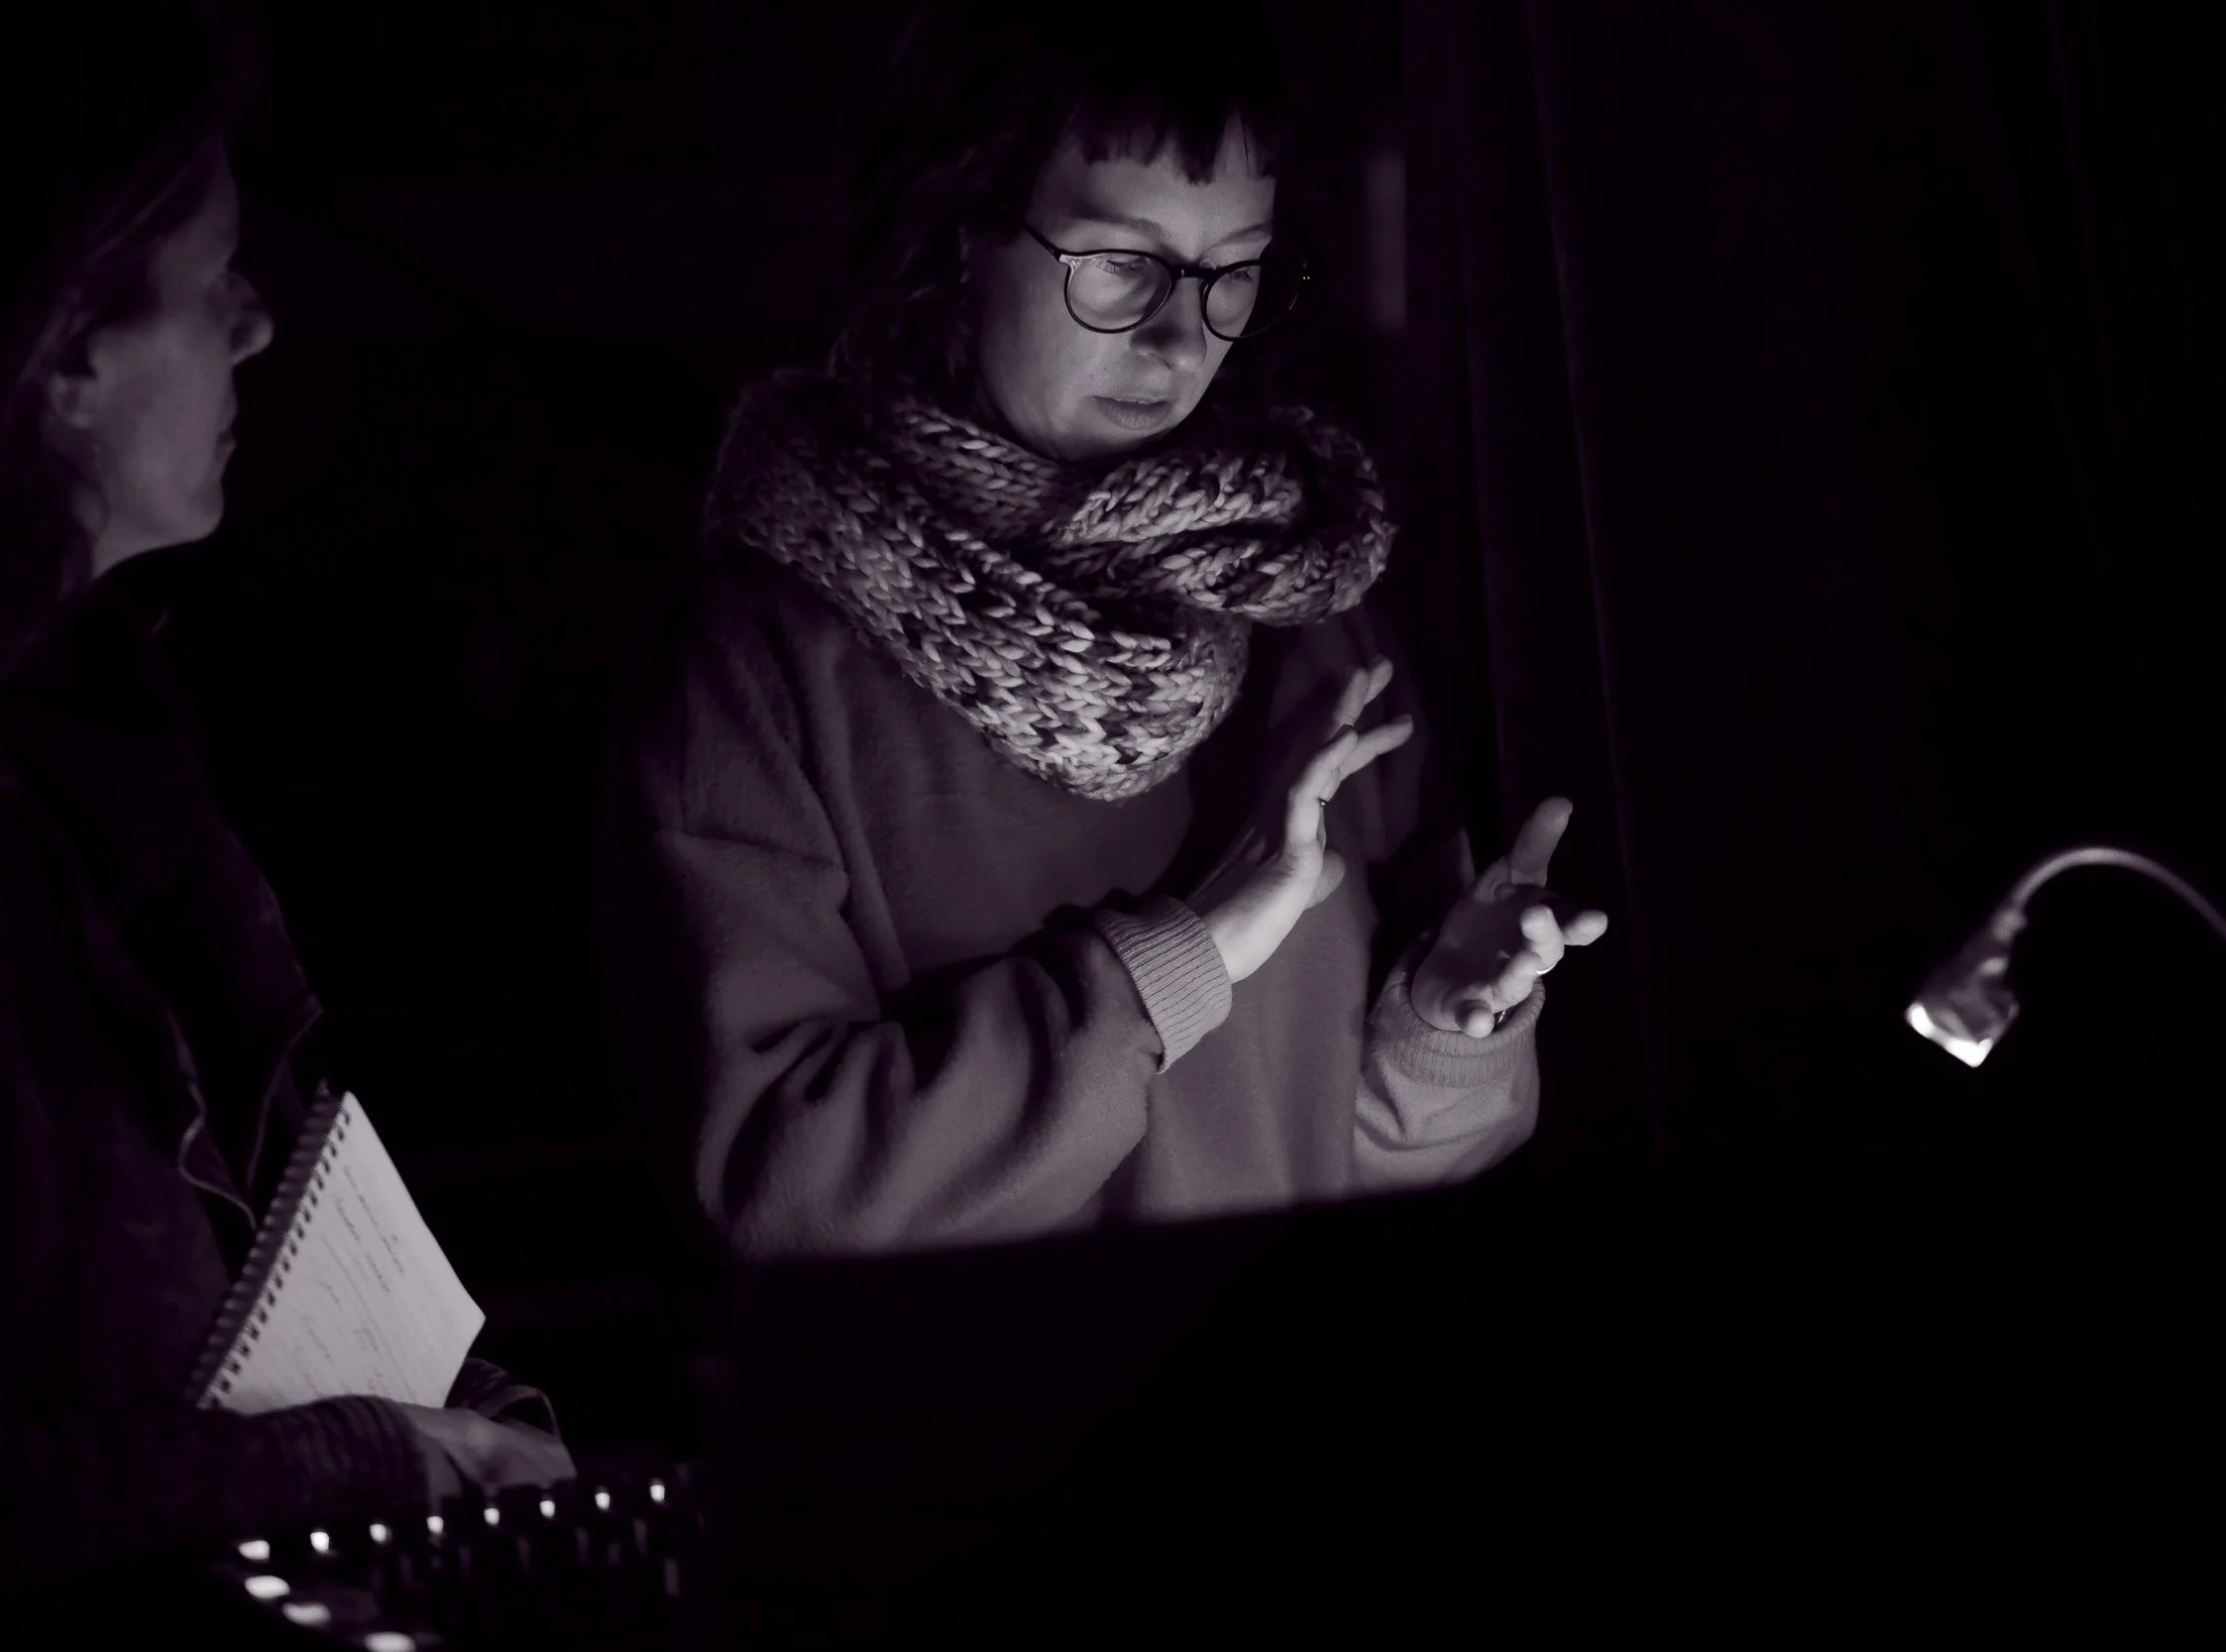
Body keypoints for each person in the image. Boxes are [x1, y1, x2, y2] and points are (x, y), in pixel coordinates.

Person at [602, 0, 1606, 1261]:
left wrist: (1438, 1027)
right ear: (959, 238)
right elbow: (778, 1190)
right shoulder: (759, 667)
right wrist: (1188, 954)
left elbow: (1337, 1146)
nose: (1182, 338)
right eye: (1121, 262)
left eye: (1232, 270)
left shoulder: (1306, 605)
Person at [0, 0, 572, 1626]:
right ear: (66, 345)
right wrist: (380, 1464)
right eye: (215, 280)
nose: (262, 323)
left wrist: (475, 1423)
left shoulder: (102, 764)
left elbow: (268, 1205)